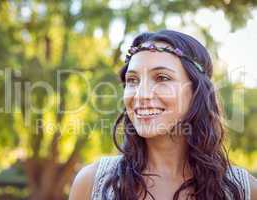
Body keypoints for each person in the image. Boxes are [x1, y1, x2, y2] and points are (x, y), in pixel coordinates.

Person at [69, 30, 257, 200]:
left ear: (197, 92)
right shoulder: (92, 184)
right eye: (132, 80)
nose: (141, 94)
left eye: (162, 78)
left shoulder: (243, 190)